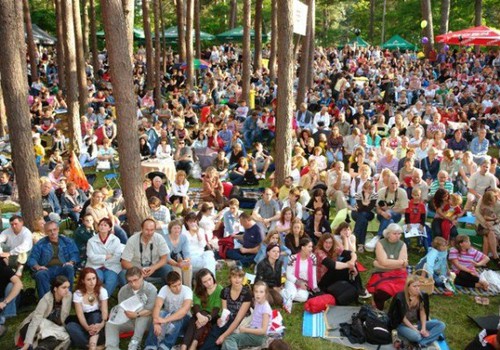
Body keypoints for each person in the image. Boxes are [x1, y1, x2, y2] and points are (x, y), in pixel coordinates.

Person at [105, 267, 158, 350]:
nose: (133, 284)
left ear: (142, 277)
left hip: (146, 322)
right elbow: (122, 309)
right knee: (110, 323)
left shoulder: (151, 289)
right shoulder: (123, 290)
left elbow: (151, 310)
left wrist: (136, 314)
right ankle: (112, 347)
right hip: (128, 320)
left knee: (142, 314)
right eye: (130, 281)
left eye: (135, 280)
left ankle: (134, 344)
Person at [201, 266, 252, 350]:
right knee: (215, 331)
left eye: (240, 277)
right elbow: (225, 311)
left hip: (240, 320)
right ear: (230, 278)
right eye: (234, 277)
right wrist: (221, 319)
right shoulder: (225, 291)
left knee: (222, 337)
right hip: (229, 318)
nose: (237, 279)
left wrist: (223, 336)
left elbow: (238, 319)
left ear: (243, 278)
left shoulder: (246, 293)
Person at [388, 275, 446, 348]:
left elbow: (423, 313)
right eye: (414, 286)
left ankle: (421, 343)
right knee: (417, 336)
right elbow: (403, 318)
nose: (417, 288)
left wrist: (423, 329)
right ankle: (431, 337)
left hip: (416, 323)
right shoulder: (400, 297)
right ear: (408, 287)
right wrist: (415, 330)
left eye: (418, 286)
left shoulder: (422, 295)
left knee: (441, 325)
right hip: (401, 324)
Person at [16, 276, 72, 350]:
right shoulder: (46, 299)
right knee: (26, 329)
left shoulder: (68, 296)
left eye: (68, 287)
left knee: (62, 337)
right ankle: (32, 344)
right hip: (40, 324)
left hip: (55, 328)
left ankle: (40, 347)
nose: (67, 290)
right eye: (64, 287)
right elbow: (35, 321)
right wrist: (26, 345)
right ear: (55, 289)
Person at [27, 221, 80, 298]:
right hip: (47, 269)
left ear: (58, 229)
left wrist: (71, 262)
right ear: (45, 232)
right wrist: (38, 266)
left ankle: (67, 298)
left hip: (63, 267)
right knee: (40, 274)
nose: (52, 232)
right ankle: (47, 302)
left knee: (69, 268)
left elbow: (75, 254)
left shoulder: (67, 241)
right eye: (49, 230)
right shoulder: (40, 244)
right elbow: (32, 258)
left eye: (54, 229)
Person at [144, 271, 192, 350]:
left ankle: (165, 346)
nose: (178, 288)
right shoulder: (164, 289)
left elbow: (184, 311)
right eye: (174, 286)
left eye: (179, 284)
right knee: (160, 313)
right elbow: (158, 306)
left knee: (177, 317)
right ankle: (151, 345)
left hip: (184, 320)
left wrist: (164, 320)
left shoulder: (187, 290)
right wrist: (156, 322)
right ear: (168, 286)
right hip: (167, 318)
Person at [366, 223, 408, 310]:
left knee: (404, 290)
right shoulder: (380, 243)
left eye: (399, 233)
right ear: (388, 234)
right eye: (395, 233)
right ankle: (378, 313)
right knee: (381, 293)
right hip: (381, 273)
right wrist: (398, 263)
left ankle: (398, 312)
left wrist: (379, 264)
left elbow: (402, 265)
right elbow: (384, 261)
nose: (397, 236)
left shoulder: (402, 244)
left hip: (398, 274)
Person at [66, 268, 108, 350]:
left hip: (98, 323)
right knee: (70, 326)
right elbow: (80, 315)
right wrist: (87, 328)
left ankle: (92, 346)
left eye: (94, 278)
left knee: (95, 315)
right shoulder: (78, 294)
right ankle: (96, 346)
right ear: (82, 281)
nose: (92, 282)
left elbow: (104, 311)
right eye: (88, 279)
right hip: (85, 323)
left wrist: (101, 325)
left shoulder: (102, 291)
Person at [221, 281, 271, 350]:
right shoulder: (258, 302)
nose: (258, 294)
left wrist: (246, 330)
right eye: (256, 291)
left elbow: (263, 331)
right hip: (253, 330)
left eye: (261, 292)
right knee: (227, 341)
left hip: (259, 336)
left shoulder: (266, 309)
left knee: (230, 340)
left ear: (266, 294)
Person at [181, 269, 222, 350]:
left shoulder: (219, 289)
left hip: (213, 317)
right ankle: (185, 346)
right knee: (194, 319)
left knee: (200, 316)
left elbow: (217, 308)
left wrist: (207, 318)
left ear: (212, 277)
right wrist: (199, 315)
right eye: (205, 282)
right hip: (199, 316)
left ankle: (190, 345)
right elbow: (196, 304)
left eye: (210, 279)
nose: (209, 283)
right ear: (201, 283)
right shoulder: (198, 289)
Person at [121, 218, 171, 283]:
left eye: (152, 230)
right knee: (123, 273)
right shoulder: (132, 240)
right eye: (146, 230)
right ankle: (131, 292)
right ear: (141, 229)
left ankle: (166, 291)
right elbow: (124, 262)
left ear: (155, 230)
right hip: (136, 269)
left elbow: (164, 259)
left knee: (168, 269)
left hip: (154, 268)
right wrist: (138, 270)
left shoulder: (159, 238)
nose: (149, 233)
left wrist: (153, 268)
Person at [86, 218, 123, 297]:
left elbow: (116, 257)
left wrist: (100, 259)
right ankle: (92, 298)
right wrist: (106, 257)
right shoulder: (91, 241)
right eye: (101, 225)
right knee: (98, 279)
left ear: (109, 228)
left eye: (105, 225)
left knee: (111, 280)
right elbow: (91, 257)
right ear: (98, 227)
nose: (102, 227)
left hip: (111, 267)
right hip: (95, 267)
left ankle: (103, 300)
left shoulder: (116, 240)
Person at [282, 237, 319, 313]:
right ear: (303, 247)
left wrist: (314, 287)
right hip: (292, 281)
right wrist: (299, 282)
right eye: (309, 246)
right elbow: (288, 275)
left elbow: (313, 273)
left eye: (311, 246)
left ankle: (284, 294)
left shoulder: (313, 258)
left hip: (305, 284)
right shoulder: (293, 258)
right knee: (292, 291)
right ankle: (288, 304)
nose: (311, 249)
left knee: (303, 298)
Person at [164, 220, 192, 288]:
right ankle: (179, 290)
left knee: (188, 268)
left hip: (180, 260)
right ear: (170, 229)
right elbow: (167, 258)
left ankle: (188, 289)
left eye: (179, 228)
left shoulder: (183, 238)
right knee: (177, 271)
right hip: (167, 262)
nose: (177, 230)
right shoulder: (165, 239)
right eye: (175, 228)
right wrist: (177, 264)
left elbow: (187, 253)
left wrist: (186, 261)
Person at [255, 243, 284, 307]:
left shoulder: (279, 263)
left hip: (272, 287)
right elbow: (260, 281)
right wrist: (273, 287)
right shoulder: (262, 264)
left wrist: (279, 286)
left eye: (278, 252)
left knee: (280, 300)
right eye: (274, 251)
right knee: (270, 301)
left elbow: (278, 276)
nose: (276, 253)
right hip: (262, 287)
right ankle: (254, 298)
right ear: (268, 253)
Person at [352, 180, 377, 251]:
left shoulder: (374, 195)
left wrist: (363, 204)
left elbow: (369, 208)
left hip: (369, 214)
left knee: (363, 216)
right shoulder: (358, 194)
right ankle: (361, 244)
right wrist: (366, 202)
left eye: (371, 189)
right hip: (356, 214)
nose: (370, 191)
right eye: (368, 189)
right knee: (363, 220)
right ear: (363, 189)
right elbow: (360, 208)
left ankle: (355, 233)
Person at [476, 190, 500, 265]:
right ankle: (495, 256)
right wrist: (484, 222)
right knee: (490, 233)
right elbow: (477, 213)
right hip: (481, 225)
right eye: (488, 203)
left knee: (487, 238)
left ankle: (484, 261)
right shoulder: (481, 200)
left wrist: (493, 222)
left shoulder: (498, 204)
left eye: (491, 202)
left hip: (494, 224)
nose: (489, 204)